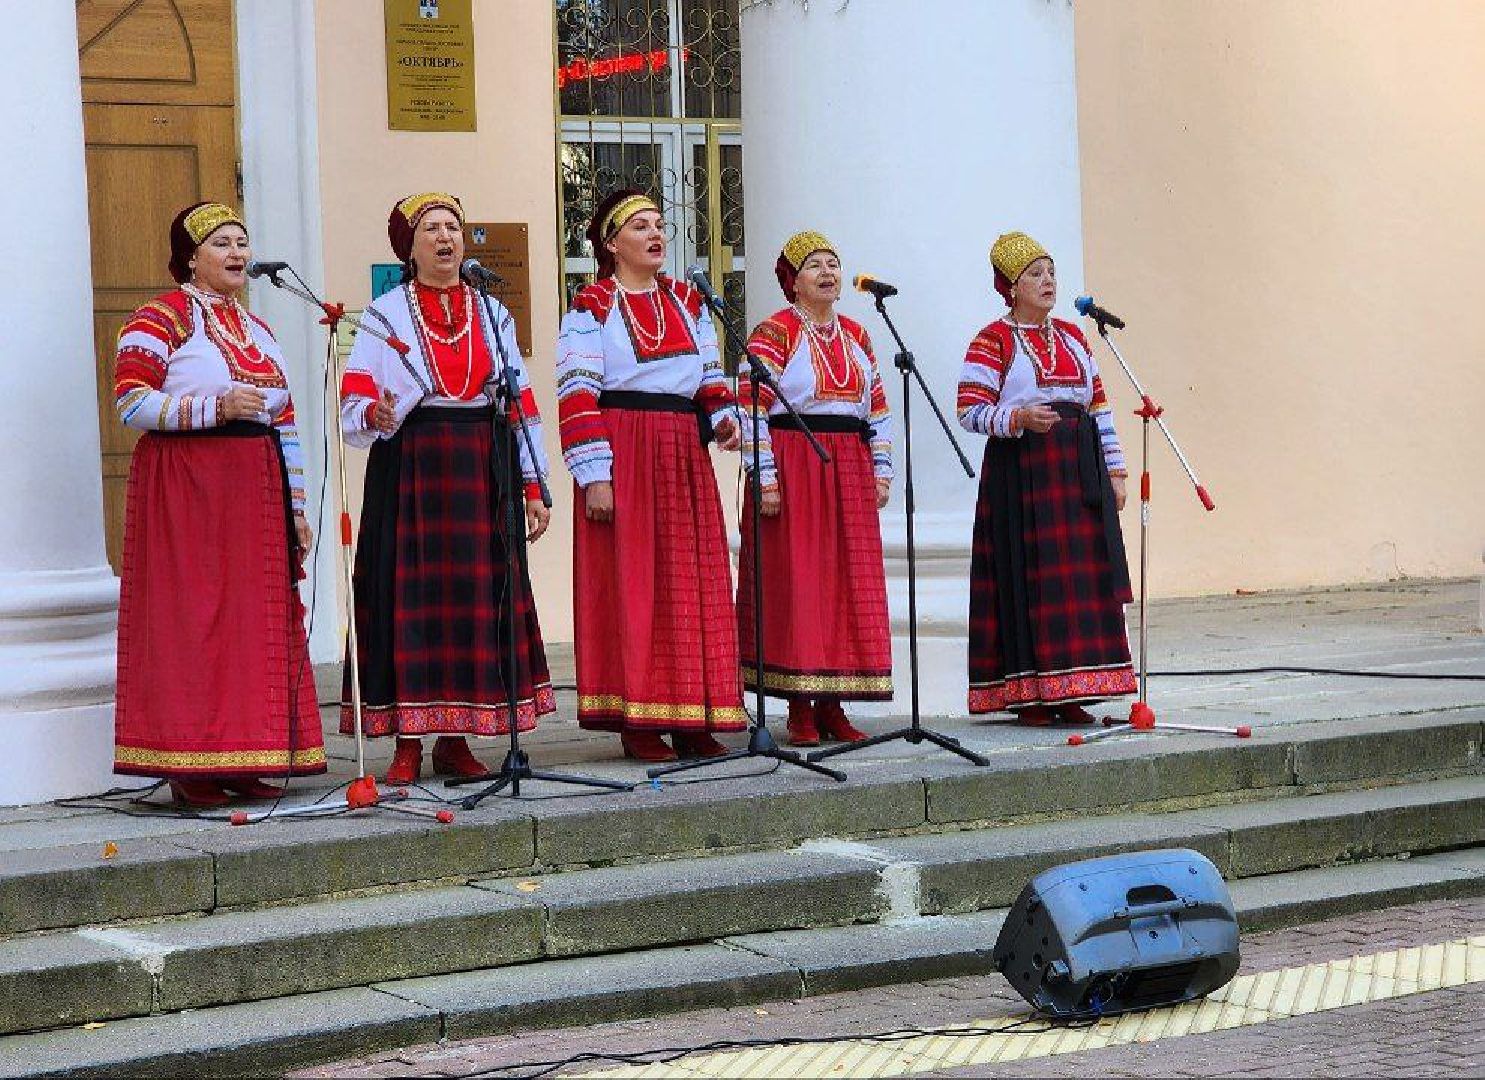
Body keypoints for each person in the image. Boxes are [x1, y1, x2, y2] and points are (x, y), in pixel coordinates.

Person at [112, 201, 326, 807]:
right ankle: (189, 764)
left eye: (242, 242)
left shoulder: (259, 330)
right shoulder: (161, 318)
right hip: (189, 487)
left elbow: (283, 418)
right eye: (222, 244)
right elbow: (130, 402)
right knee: (193, 617)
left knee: (250, 620)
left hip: (254, 486)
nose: (237, 254)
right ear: (191, 256)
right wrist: (214, 408)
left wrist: (297, 507)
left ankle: (244, 753)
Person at [339, 192, 555, 784]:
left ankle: (456, 740)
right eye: (431, 228)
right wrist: (373, 416)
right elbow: (355, 397)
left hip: (482, 464)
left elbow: (520, 400)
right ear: (409, 248)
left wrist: (533, 485)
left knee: (473, 600)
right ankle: (406, 742)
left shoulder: (492, 314)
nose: (445, 237)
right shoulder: (384, 315)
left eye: (453, 227)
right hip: (411, 466)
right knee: (409, 601)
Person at [555, 188, 746, 762]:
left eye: (660, 225)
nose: (656, 235)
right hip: (625, 451)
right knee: (633, 584)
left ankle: (694, 715)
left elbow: (710, 381)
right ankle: (637, 718)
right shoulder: (592, 307)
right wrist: (596, 475)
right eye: (640, 227)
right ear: (612, 244)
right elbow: (577, 395)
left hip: (682, 454)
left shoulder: (690, 303)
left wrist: (725, 419)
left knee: (692, 583)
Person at [956, 230, 1136, 724]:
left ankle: (1072, 688)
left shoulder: (1075, 337)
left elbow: (1099, 406)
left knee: (1080, 582)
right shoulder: (992, 339)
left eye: (1051, 272)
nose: (1048, 281)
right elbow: (969, 410)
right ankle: (1032, 694)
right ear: (1011, 286)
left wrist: (1116, 471)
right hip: (1023, 474)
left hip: (1077, 472)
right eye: (1035, 274)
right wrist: (1017, 419)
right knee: (1029, 578)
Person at [736, 231, 894, 746]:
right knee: (798, 582)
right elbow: (750, 403)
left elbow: (878, 407)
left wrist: (882, 468)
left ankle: (834, 703)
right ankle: (798, 707)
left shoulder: (857, 334)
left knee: (845, 582)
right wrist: (764, 475)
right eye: (815, 266)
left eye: (834, 263)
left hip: (847, 462)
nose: (828, 273)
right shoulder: (774, 332)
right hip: (794, 461)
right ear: (793, 281)